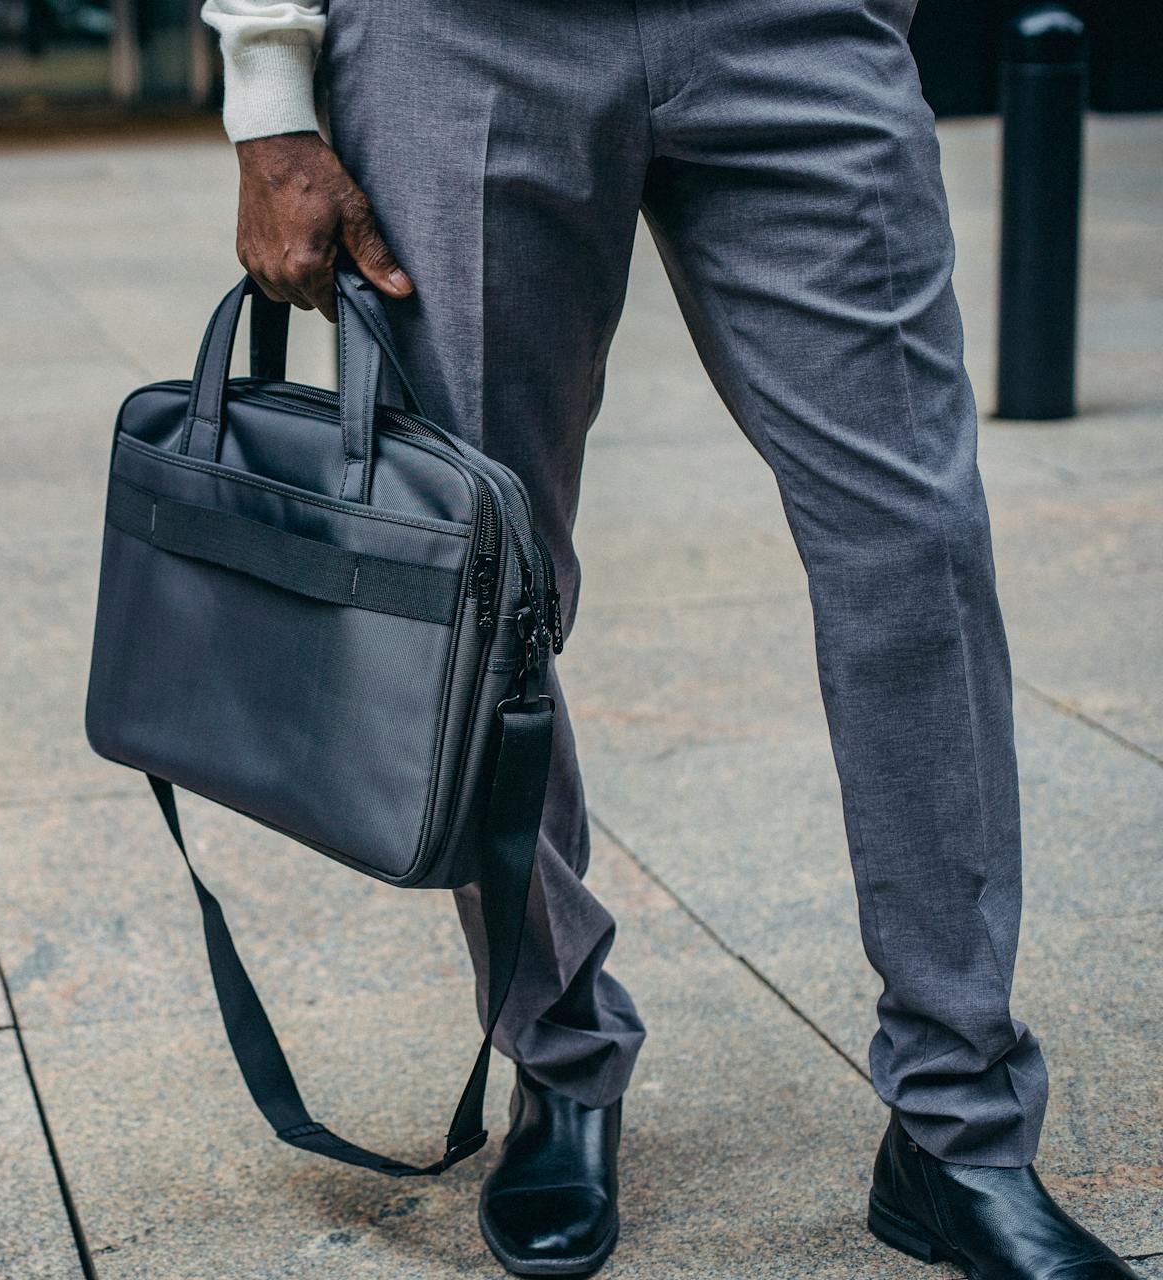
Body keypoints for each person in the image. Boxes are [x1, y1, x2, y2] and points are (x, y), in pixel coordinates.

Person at [197, 2, 1135, 1277]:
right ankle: (561, 1052)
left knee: (917, 543)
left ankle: (960, 1122)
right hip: (463, 42)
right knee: (476, 577)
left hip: (789, 29)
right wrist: (269, 88)